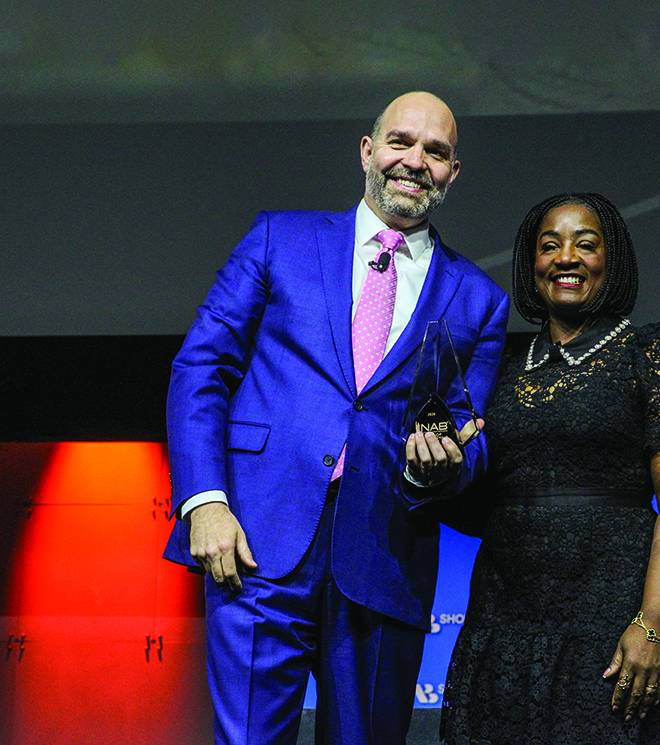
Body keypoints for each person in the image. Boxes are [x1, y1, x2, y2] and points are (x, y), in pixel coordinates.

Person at [162, 92, 510, 745]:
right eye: (401, 142)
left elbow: (467, 437)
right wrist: (203, 502)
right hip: (256, 544)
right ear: (367, 151)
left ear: (452, 173)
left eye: (435, 152)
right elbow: (200, 369)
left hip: (382, 561)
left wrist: (439, 469)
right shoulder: (278, 238)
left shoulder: (480, 299)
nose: (414, 161)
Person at [439, 193, 660, 744]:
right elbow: (484, 504)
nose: (566, 258)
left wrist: (655, 623)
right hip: (504, 621)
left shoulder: (649, 351)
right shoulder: (505, 370)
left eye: (586, 245)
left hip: (609, 622)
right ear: (529, 264)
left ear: (612, 262)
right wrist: (438, 473)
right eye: (549, 246)